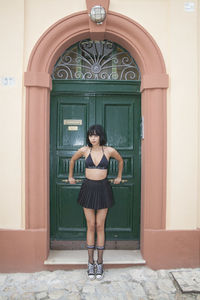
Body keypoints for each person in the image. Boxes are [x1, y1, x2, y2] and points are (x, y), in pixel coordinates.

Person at [68, 124, 123, 280]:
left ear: (101, 136)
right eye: (91, 135)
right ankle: (90, 262)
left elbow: (120, 161)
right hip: (88, 188)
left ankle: (100, 262)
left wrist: (119, 176)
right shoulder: (85, 150)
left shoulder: (109, 150)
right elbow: (72, 160)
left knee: (100, 225)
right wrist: (71, 176)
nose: (93, 138)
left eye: (96, 135)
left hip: (103, 188)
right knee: (90, 225)